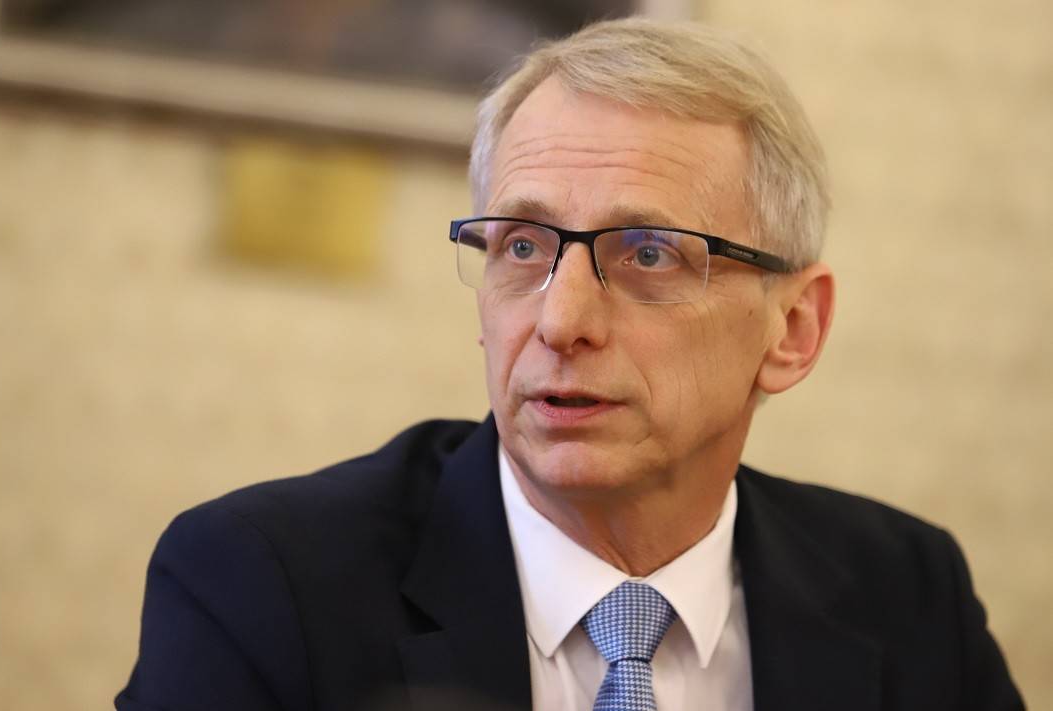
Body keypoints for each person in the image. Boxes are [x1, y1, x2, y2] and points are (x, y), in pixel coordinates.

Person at [116, 18, 1024, 711]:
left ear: (791, 329)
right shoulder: (263, 584)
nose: (560, 321)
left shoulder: (908, 596)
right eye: (521, 246)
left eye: (648, 254)